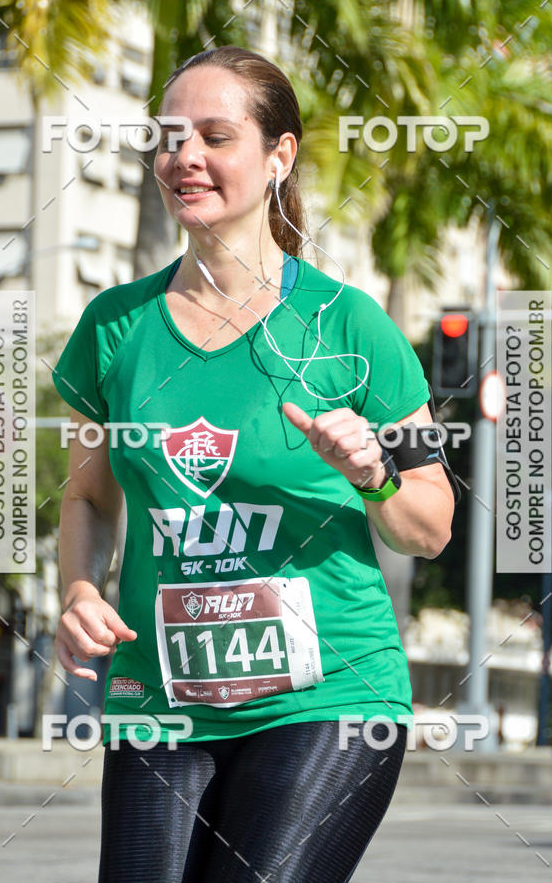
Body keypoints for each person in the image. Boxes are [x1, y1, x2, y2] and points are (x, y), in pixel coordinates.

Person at [53, 46, 454, 883]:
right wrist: (81, 592)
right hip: (159, 701)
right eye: (169, 137)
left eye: (214, 135)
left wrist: (372, 471)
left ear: (280, 156)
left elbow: (430, 524)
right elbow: (88, 498)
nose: (184, 157)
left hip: (328, 701)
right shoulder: (114, 327)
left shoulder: (350, 326)